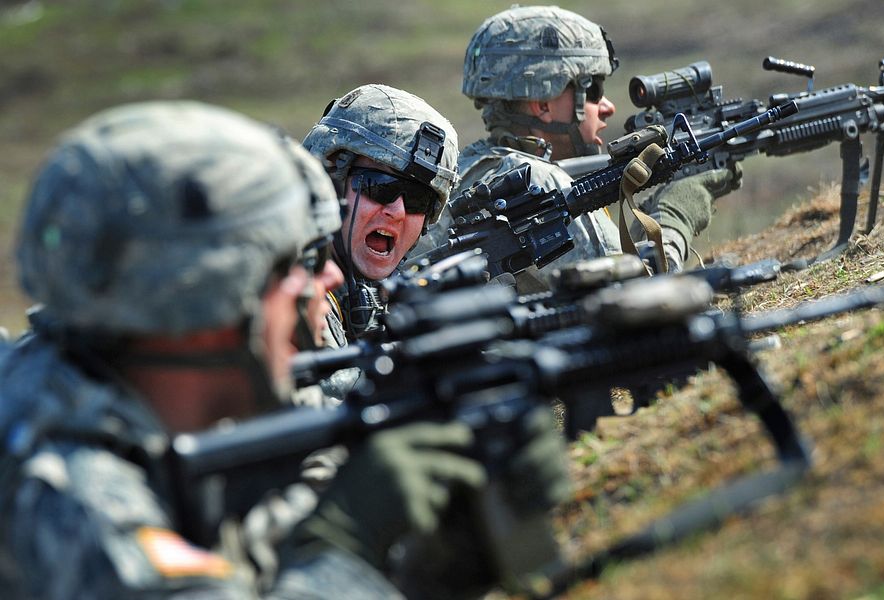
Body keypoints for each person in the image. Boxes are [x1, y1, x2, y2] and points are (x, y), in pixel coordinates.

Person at [0, 101, 510, 599]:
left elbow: (269, 557)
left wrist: (440, 564)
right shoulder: (70, 488)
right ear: (217, 297)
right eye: (296, 262)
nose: (326, 278)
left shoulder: (158, 418)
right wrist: (353, 540)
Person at [415, 5, 738, 286]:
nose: (607, 107)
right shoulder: (540, 185)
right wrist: (676, 214)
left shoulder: (471, 170)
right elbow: (642, 294)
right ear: (543, 101)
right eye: (593, 90)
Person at [300, 84, 460, 402]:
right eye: (380, 187)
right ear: (331, 184)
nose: (398, 211)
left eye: (418, 199)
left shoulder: (365, 291)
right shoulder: (290, 289)